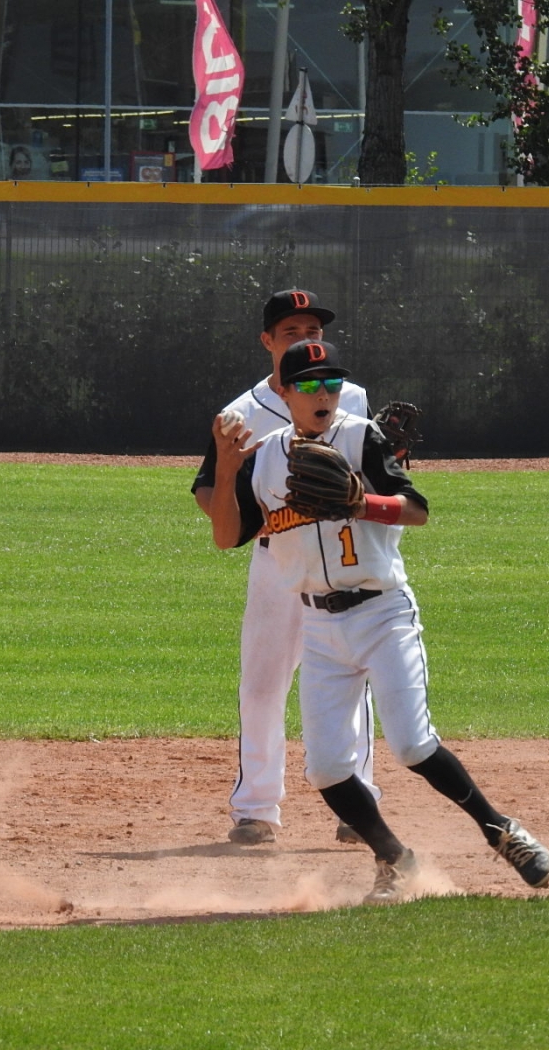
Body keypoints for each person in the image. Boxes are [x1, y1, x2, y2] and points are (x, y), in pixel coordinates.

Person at [205, 338, 549, 903]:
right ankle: (395, 859)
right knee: (326, 769)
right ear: (285, 393)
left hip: (383, 612)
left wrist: (361, 502)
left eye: (332, 382)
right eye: (310, 385)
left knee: (412, 745)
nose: (324, 393)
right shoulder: (264, 459)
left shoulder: (361, 437)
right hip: (318, 626)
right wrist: (226, 470)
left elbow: (417, 510)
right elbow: (226, 537)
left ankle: (502, 832)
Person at [191, 288, 380, 846]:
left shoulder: (353, 397)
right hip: (277, 562)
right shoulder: (241, 413)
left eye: (313, 331)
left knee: (352, 681)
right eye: (291, 332)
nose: (304, 338)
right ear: (267, 341)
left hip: (342, 560)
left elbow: (375, 475)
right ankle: (255, 810)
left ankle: (359, 807)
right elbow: (207, 491)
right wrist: (257, 519)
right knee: (262, 684)